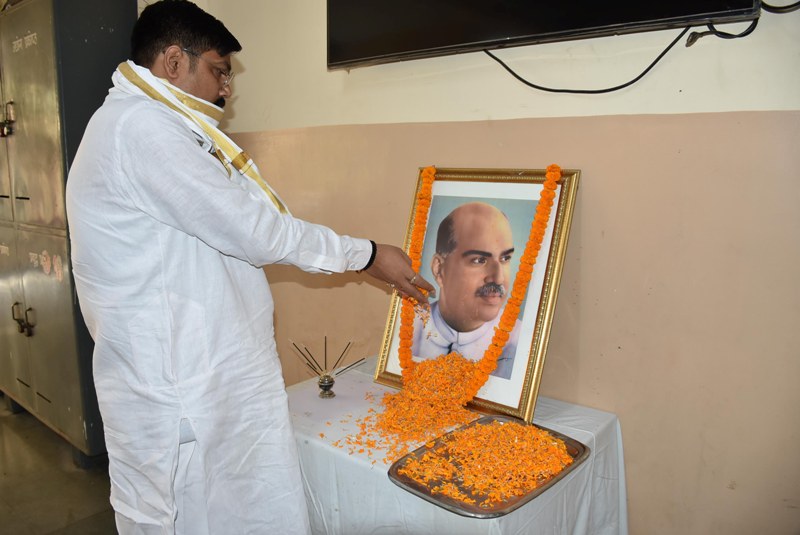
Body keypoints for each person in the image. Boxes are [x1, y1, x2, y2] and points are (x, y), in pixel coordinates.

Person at [64, 1, 433, 533]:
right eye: (218, 70)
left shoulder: (161, 127)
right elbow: (256, 231)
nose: (226, 89)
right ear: (173, 62)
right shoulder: (141, 130)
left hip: (208, 378)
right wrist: (368, 256)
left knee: (242, 508)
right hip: (180, 392)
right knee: (197, 514)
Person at [412, 201, 521, 379]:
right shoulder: (410, 329)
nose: (498, 278)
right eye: (479, 260)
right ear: (439, 269)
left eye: (505, 258)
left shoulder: (519, 342)